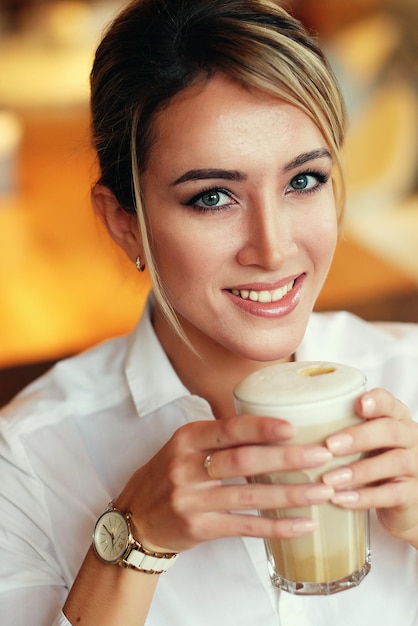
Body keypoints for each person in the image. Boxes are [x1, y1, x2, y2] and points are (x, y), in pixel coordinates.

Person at [0, 0, 417, 624]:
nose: (273, 248)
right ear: (125, 224)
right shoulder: (28, 463)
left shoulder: (410, 372)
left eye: (303, 181)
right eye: (213, 197)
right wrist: (131, 541)